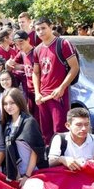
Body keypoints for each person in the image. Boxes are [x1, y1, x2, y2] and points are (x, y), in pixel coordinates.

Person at [32, 17, 80, 145]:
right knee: (46, 133)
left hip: (59, 96)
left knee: (60, 131)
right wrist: (37, 93)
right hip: (43, 97)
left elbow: (74, 67)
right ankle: (50, 161)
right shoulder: (37, 50)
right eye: (38, 30)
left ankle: (63, 161)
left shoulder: (63, 44)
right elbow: (35, 72)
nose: (41, 32)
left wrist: (62, 87)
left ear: (50, 27)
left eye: (43, 28)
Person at [0, 88, 46, 187]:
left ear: (19, 102)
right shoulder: (7, 124)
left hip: (32, 174)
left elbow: (35, 151)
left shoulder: (29, 122)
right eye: (5, 104)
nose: (8, 107)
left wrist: (27, 175)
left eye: (12, 103)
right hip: (17, 176)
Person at [8, 30, 36, 118]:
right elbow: (12, 64)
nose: (19, 45)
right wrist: (10, 63)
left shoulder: (36, 52)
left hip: (38, 90)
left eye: (21, 42)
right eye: (16, 44)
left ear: (28, 40)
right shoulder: (22, 53)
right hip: (28, 90)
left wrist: (22, 67)